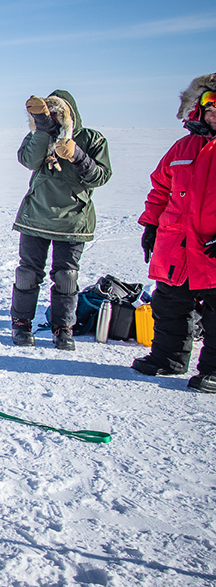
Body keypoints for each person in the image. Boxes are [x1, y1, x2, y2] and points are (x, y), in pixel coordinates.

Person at [132, 74, 216, 393]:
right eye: (209, 105)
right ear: (198, 108)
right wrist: (151, 225)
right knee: (168, 303)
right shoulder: (182, 147)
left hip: (210, 247)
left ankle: (214, 370)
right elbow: (160, 189)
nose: (214, 113)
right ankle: (168, 358)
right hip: (176, 245)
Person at [10, 91, 112, 350]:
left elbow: (99, 177)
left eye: (57, 113)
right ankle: (21, 324)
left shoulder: (92, 139)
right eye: (48, 113)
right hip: (36, 217)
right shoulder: (38, 136)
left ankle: (63, 327)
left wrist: (78, 156)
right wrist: (42, 130)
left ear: (69, 113)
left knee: (66, 276)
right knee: (27, 274)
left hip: (73, 220)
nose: (53, 117)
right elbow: (28, 161)